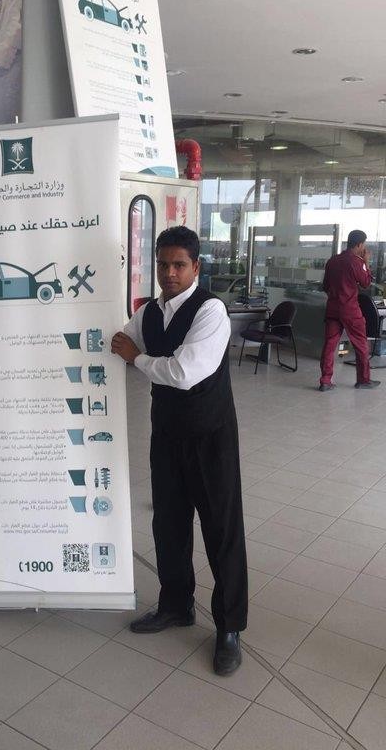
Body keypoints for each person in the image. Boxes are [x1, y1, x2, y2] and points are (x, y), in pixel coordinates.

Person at [111, 226, 247, 675]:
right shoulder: (149, 312)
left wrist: (137, 359)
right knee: (168, 524)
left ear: (196, 266)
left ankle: (229, 627)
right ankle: (175, 605)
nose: (169, 273)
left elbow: (185, 372)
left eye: (179, 265)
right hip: (167, 434)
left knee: (221, 530)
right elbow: (120, 339)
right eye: (163, 264)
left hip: (210, 437)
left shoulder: (211, 310)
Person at [319, 229, 379, 391]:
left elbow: (325, 286)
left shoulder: (332, 261)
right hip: (350, 310)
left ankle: (325, 381)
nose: (364, 248)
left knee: (330, 345)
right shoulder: (357, 262)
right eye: (364, 244)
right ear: (359, 244)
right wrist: (366, 262)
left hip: (332, 309)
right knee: (361, 344)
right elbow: (366, 283)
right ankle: (363, 380)